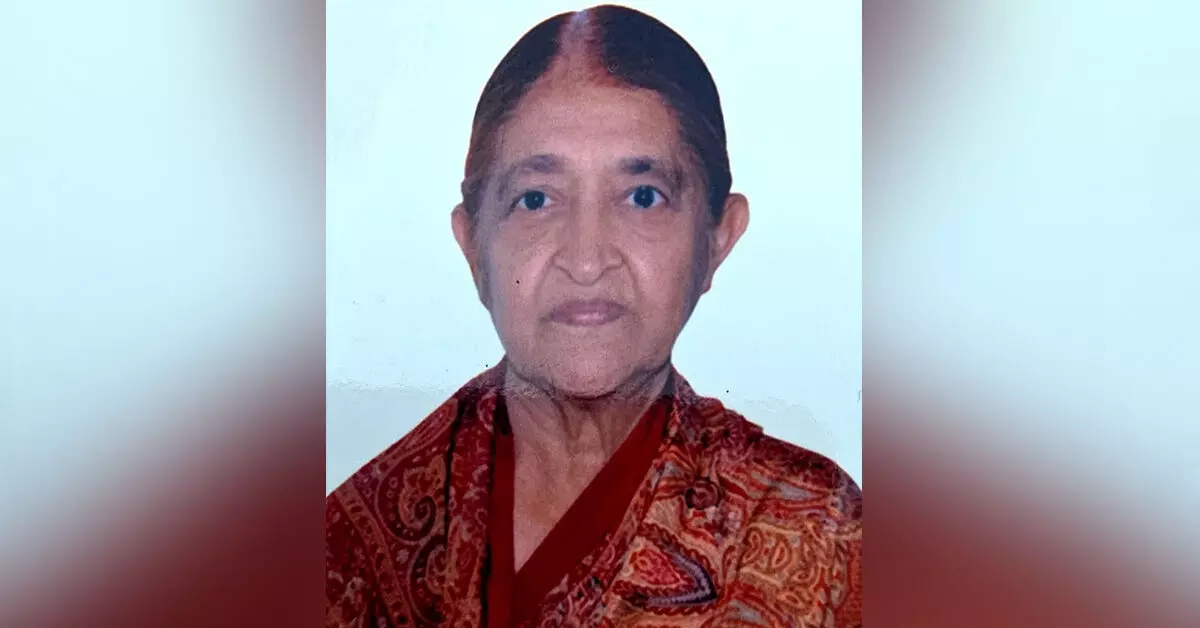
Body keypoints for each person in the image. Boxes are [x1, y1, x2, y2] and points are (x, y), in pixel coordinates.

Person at [326, 5, 862, 626]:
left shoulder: (823, 540)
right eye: (535, 199)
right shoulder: (348, 550)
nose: (586, 261)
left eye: (642, 197)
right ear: (474, 247)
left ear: (717, 238)